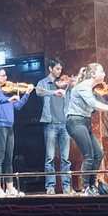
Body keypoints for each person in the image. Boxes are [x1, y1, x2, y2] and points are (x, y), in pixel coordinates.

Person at [65, 63, 108, 195]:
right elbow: (94, 105)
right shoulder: (84, 87)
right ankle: (85, 187)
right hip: (75, 121)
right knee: (89, 155)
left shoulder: (92, 89)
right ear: (93, 74)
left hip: (85, 121)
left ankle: (92, 185)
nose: (104, 74)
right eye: (101, 72)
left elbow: (99, 104)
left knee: (99, 154)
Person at [0, 69, 31, 197]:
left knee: (8, 159)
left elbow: (17, 106)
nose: (6, 77)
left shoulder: (6, 92)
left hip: (9, 127)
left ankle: (10, 188)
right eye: (3, 75)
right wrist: (9, 99)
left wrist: (26, 94)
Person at [36, 58, 72, 195]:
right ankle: (50, 186)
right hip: (50, 123)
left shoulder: (65, 84)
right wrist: (54, 92)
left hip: (64, 123)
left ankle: (66, 186)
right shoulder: (43, 83)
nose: (60, 71)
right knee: (49, 157)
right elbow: (39, 92)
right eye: (57, 69)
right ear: (50, 68)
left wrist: (71, 84)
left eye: (61, 69)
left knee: (65, 158)